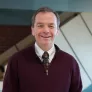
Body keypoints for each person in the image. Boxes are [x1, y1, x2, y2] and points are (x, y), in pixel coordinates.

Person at [2, 7, 82, 92]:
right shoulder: (16, 61)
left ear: (57, 31)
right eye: (40, 25)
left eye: (51, 26)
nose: (46, 30)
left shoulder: (70, 62)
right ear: (33, 30)